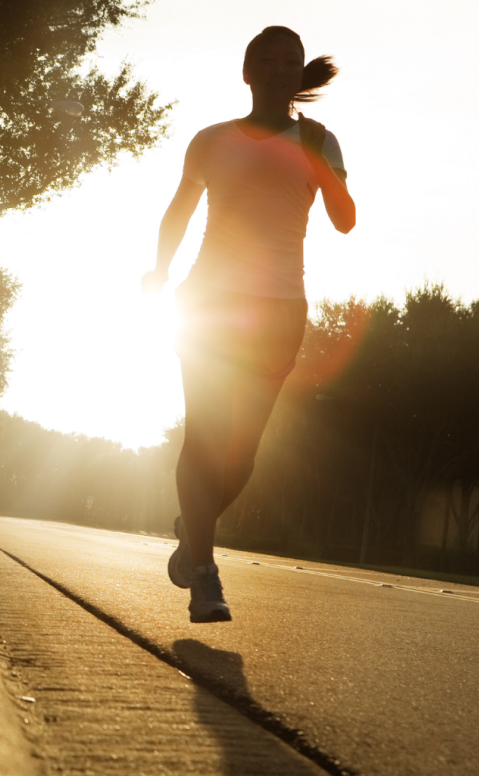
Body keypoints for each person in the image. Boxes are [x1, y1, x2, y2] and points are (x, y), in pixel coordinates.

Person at [141, 25, 355, 622]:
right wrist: (159, 270)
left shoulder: (321, 139)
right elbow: (180, 208)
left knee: (242, 458)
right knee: (205, 437)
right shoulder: (211, 140)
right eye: (270, 59)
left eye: (294, 61)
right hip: (209, 302)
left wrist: (321, 162)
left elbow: (345, 221)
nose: (283, 68)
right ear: (248, 70)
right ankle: (205, 576)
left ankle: (194, 532)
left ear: (298, 75)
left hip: (281, 309)